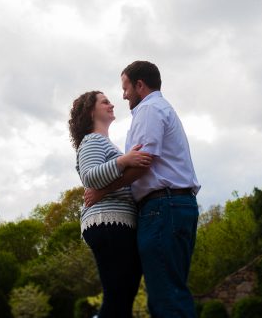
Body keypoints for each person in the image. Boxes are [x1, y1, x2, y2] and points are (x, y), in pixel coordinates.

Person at [86, 60, 201, 317]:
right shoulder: (162, 108)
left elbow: (143, 164)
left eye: (125, 87)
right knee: (172, 290)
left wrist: (103, 191)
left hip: (162, 208)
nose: (123, 95)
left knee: (165, 298)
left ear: (139, 85)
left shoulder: (149, 110)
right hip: (175, 206)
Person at [69, 90, 154, 318]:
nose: (112, 104)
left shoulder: (105, 142)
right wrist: (124, 160)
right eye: (105, 102)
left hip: (119, 225)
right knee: (117, 296)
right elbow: (90, 176)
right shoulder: (92, 141)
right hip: (107, 223)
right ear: (90, 110)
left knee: (123, 297)